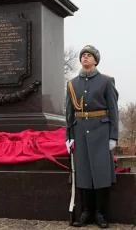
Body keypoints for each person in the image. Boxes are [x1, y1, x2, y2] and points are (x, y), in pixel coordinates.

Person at [65, 45, 118, 228]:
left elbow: (113, 110)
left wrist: (113, 136)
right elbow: (69, 113)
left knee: (101, 173)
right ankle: (86, 212)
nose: (85, 58)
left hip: (101, 133)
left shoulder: (106, 81)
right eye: (83, 56)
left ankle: (100, 213)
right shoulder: (72, 84)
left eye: (89, 55)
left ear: (95, 60)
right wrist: (69, 135)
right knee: (84, 173)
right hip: (80, 133)